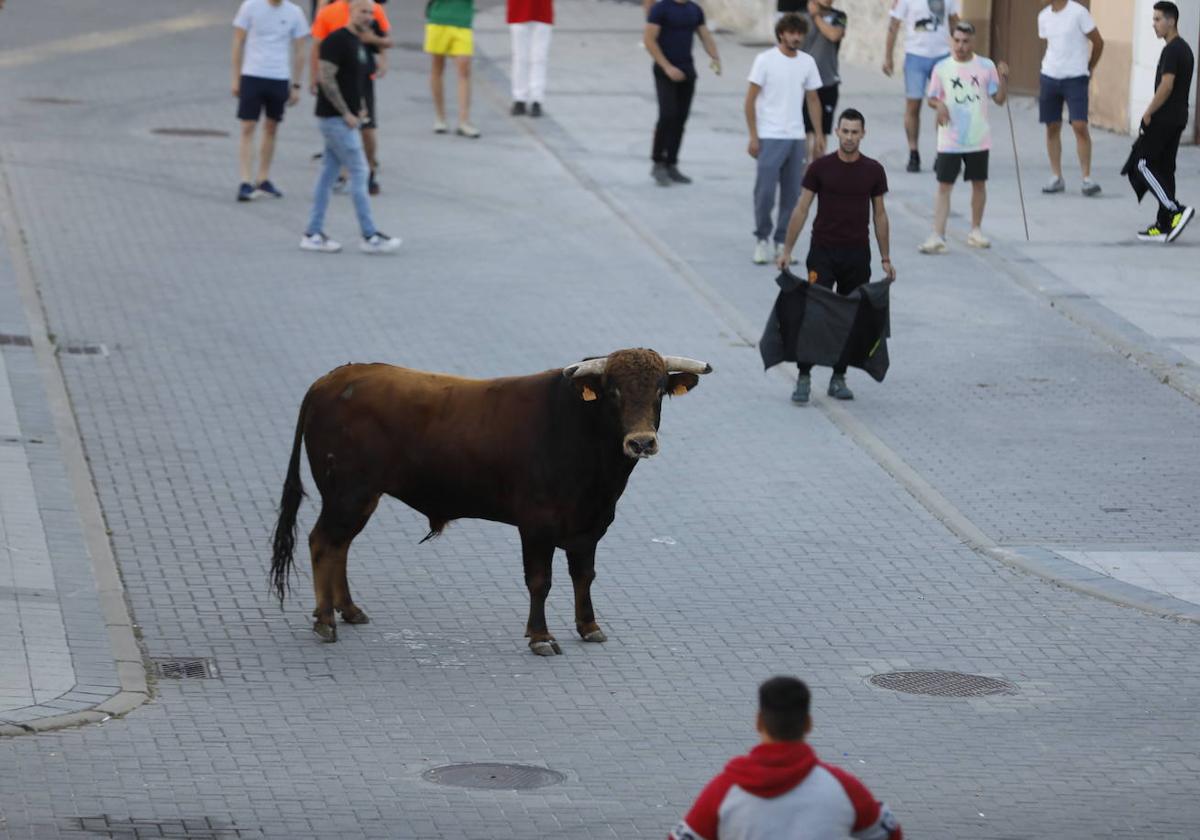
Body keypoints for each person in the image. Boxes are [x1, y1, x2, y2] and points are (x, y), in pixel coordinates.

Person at [669, 676, 904, 840]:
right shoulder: (843, 788)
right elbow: (889, 833)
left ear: (758, 721)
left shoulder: (723, 791)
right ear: (809, 723)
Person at [775, 109, 892, 403]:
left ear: (863, 134)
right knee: (815, 315)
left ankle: (838, 377)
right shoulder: (820, 168)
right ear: (836, 132)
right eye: (845, 131)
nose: (850, 137)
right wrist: (787, 250)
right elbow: (801, 209)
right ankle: (803, 377)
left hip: (857, 255)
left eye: (855, 132)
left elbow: (879, 214)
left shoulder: (873, 170)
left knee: (849, 317)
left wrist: (885, 257)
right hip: (823, 253)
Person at [301, 0, 401, 255]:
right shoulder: (337, 41)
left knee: (327, 175)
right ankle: (369, 235)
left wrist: (361, 108)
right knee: (359, 170)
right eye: (362, 11)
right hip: (335, 119)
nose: (368, 16)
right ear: (350, 11)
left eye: (370, 12)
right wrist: (346, 112)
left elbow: (356, 80)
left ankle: (313, 232)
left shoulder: (360, 42)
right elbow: (326, 78)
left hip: (346, 117)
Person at [918, 22, 1008, 254]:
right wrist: (938, 105)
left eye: (965, 41)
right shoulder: (942, 68)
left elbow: (999, 99)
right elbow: (931, 98)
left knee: (979, 184)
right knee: (944, 186)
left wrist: (1004, 78)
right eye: (956, 40)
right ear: (951, 41)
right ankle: (937, 235)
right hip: (950, 138)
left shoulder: (985, 66)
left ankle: (976, 231)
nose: (960, 46)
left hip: (978, 136)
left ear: (973, 42)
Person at [746, 14, 825, 266]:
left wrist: (819, 134)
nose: (796, 37)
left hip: (796, 137)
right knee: (765, 193)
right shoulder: (765, 60)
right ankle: (761, 239)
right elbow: (749, 100)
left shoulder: (807, 62)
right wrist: (753, 135)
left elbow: (813, 99)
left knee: (792, 195)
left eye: (799, 33)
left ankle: (782, 242)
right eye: (791, 32)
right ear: (781, 34)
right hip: (769, 136)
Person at [231, 0, 309, 202]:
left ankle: (263, 178)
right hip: (252, 74)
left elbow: (300, 50)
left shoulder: (294, 12)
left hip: (278, 76)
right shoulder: (250, 6)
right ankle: (245, 181)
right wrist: (236, 77)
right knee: (248, 126)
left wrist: (297, 84)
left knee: (272, 127)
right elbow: (238, 41)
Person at [312, 0, 392, 195]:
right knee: (342, 125)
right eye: (362, 12)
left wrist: (381, 57)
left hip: (363, 78)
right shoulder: (328, 12)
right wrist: (314, 76)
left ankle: (370, 171)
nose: (367, 15)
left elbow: (385, 39)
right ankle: (344, 174)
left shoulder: (374, 9)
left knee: (368, 128)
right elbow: (317, 46)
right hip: (339, 78)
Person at [1132, 2, 1194, 243]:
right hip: (1178, 117)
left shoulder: (1172, 50)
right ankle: (1164, 224)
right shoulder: (1184, 49)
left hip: (1165, 118)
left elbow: (1167, 85)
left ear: (1172, 21)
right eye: (1153, 19)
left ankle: (1174, 209)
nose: (1154, 24)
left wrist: (1148, 112)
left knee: (1141, 163)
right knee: (1165, 169)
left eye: (1158, 19)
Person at [644, 0, 722, 186]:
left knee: (680, 118)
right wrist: (667, 67)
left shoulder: (694, 10)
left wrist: (715, 57)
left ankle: (672, 163)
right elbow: (649, 40)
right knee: (667, 115)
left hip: (687, 70)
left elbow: (705, 36)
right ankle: (658, 162)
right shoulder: (660, 9)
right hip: (665, 71)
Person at [883, 0, 960, 173]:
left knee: (943, 105)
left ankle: (942, 153)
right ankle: (913, 152)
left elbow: (955, 21)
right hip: (915, 57)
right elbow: (894, 24)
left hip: (942, 57)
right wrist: (888, 56)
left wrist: (961, 50)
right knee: (913, 106)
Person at [1038, 0, 1104, 196]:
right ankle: (1056, 176)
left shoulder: (1079, 13)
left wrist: (1090, 66)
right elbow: (1052, 45)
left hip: (1076, 77)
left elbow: (1098, 42)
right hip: (1049, 76)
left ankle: (1086, 178)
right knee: (1051, 126)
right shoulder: (1043, 16)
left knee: (1079, 125)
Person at [800, 0, 846, 165]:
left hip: (828, 81)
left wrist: (817, 16)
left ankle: (816, 174)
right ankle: (802, 173)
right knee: (806, 131)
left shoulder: (839, 17)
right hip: (803, 83)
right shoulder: (801, 17)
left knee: (822, 133)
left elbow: (834, 35)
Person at [426, 0, 481, 138]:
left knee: (464, 69)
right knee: (437, 67)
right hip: (439, 18)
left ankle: (464, 121)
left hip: (462, 20)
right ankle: (440, 118)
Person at [508, 0, 553, 117]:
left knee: (539, 58)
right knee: (519, 57)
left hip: (542, 10)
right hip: (518, 9)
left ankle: (536, 99)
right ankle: (519, 98)